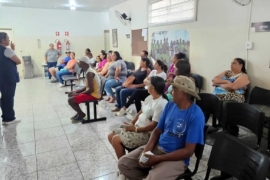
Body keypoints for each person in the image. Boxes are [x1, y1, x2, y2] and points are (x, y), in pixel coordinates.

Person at [118, 76, 205, 180]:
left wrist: (158, 159)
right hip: (158, 148)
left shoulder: (196, 115)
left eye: (174, 89)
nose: (171, 92)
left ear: (184, 93)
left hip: (176, 158)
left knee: (152, 177)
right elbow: (157, 130)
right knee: (123, 164)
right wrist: (146, 151)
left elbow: (188, 151)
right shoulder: (170, 105)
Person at [108, 77, 168, 161]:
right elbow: (141, 111)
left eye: (148, 84)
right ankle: (125, 161)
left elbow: (154, 126)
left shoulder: (161, 104)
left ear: (153, 88)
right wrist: (132, 123)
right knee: (110, 135)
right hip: (137, 127)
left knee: (115, 139)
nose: (146, 85)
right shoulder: (150, 97)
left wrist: (135, 129)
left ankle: (124, 167)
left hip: (147, 134)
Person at [68, 56, 101, 122]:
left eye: (80, 62)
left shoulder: (89, 73)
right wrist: (77, 91)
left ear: (84, 63)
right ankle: (79, 112)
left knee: (70, 100)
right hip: (91, 92)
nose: (78, 63)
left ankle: (81, 114)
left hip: (94, 95)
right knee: (71, 94)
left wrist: (78, 93)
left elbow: (91, 89)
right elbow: (87, 86)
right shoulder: (88, 70)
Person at [0, 32, 21, 125]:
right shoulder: (7, 50)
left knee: (4, 97)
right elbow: (18, 61)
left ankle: (5, 117)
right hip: (8, 77)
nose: (9, 40)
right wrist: (12, 50)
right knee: (9, 97)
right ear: (3, 40)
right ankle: (9, 118)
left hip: (1, 78)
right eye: (7, 38)